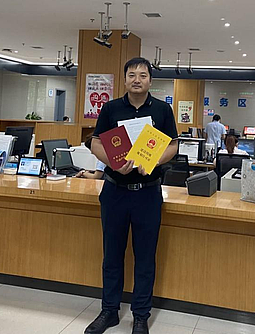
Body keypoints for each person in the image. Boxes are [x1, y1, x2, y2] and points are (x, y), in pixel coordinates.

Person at [87, 57, 178, 334]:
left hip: (147, 194)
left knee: (145, 257)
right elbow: (95, 142)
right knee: (112, 254)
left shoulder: (162, 109)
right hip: (114, 191)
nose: (137, 79)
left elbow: (172, 145)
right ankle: (109, 311)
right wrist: (113, 163)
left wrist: (153, 161)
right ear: (125, 79)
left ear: (150, 80)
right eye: (131, 75)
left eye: (142, 75)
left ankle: (140, 315)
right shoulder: (111, 108)